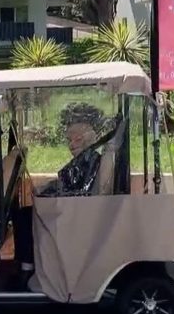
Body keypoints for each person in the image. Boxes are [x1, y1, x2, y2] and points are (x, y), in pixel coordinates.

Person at [11, 103, 108, 289]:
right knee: (24, 213)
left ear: (91, 137)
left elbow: (81, 191)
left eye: (77, 139)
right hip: (72, 209)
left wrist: (49, 194)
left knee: (24, 216)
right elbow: (68, 184)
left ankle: (27, 269)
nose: (71, 144)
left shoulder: (91, 160)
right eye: (69, 139)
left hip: (77, 213)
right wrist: (47, 187)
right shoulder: (84, 159)